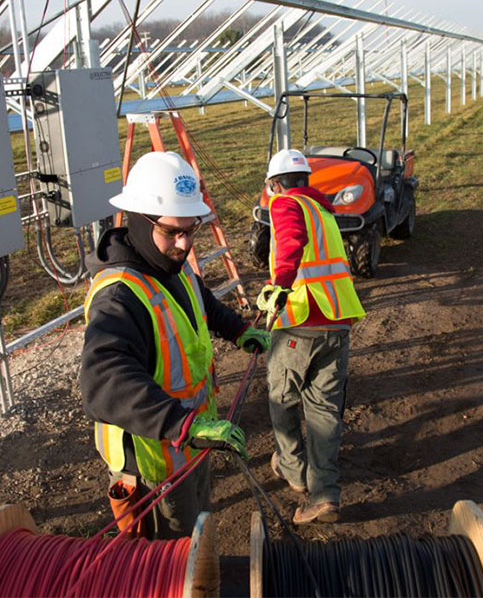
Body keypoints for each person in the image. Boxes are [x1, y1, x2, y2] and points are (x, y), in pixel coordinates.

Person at [80, 151, 270, 539]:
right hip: (156, 468)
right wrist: (182, 424)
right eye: (172, 231)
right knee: (174, 556)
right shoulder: (119, 296)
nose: (184, 244)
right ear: (136, 218)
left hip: (190, 440)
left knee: (199, 530)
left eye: (191, 230)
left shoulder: (170, 266)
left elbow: (200, 300)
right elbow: (101, 382)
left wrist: (237, 330)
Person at [257, 148, 366, 524]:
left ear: (274, 184)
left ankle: (292, 468)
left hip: (300, 321)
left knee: (280, 399)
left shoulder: (285, 204)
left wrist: (278, 289)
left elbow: (290, 243)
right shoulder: (323, 210)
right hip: (337, 322)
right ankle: (324, 494)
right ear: (306, 180)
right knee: (324, 412)